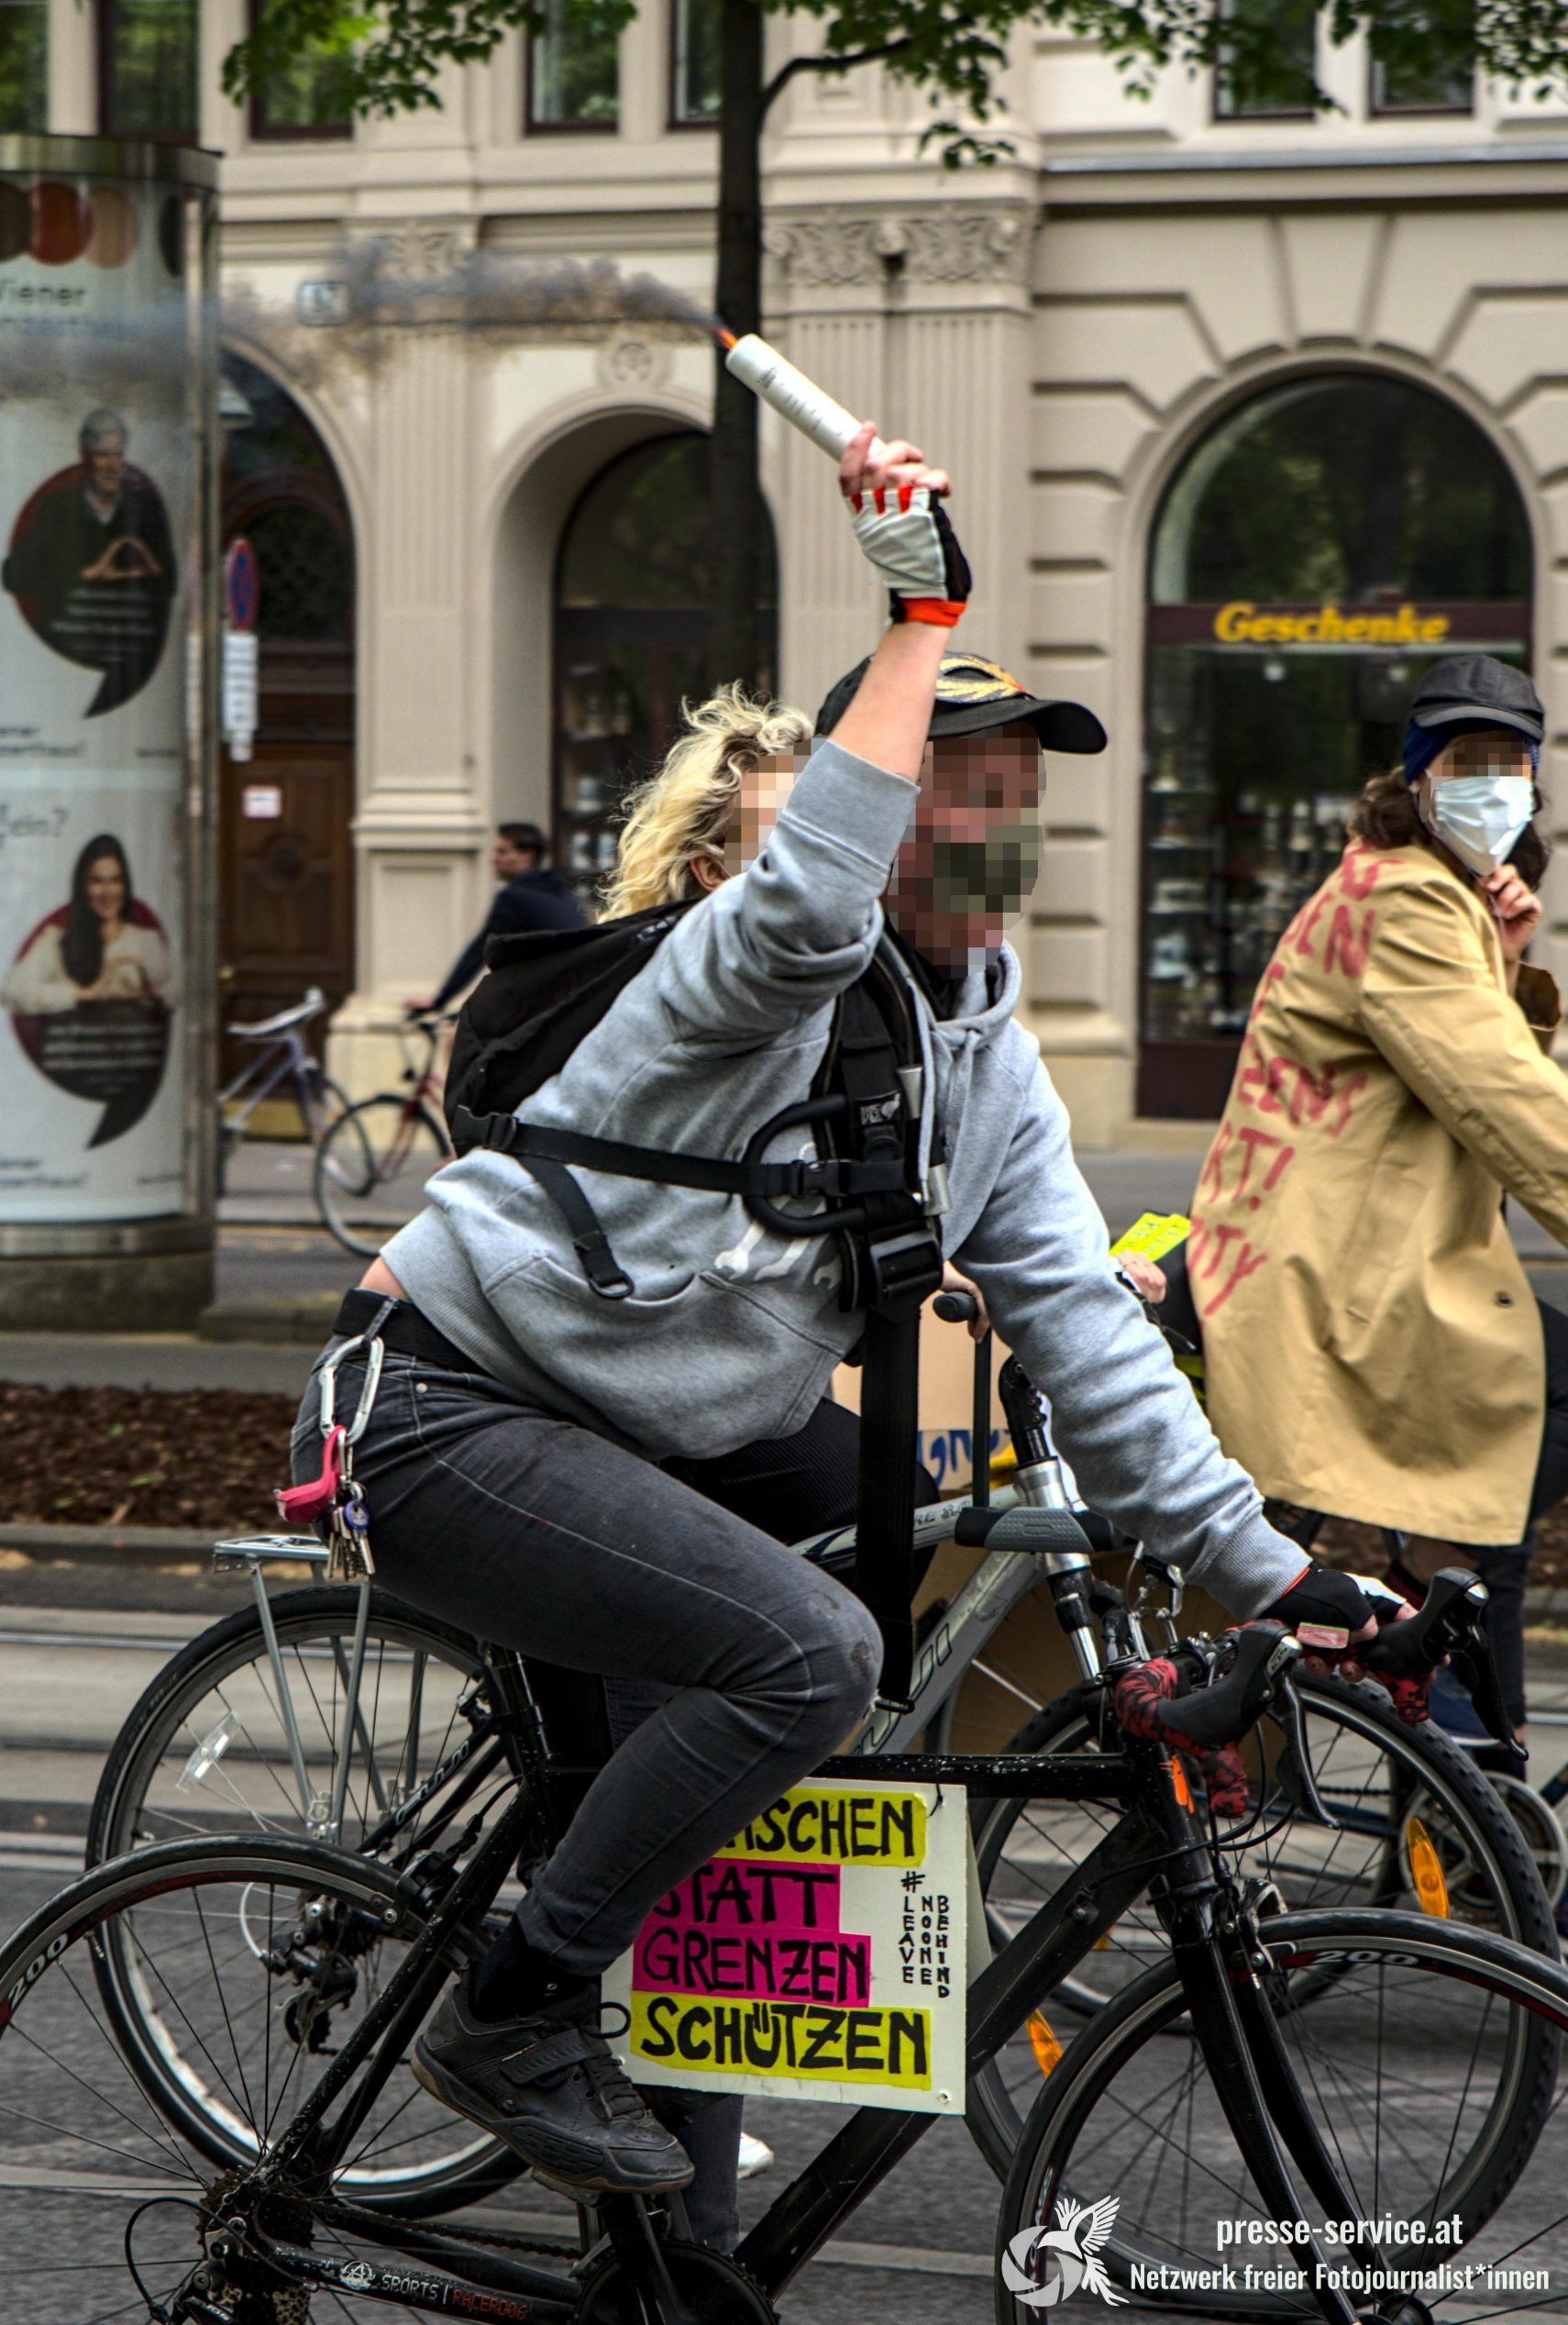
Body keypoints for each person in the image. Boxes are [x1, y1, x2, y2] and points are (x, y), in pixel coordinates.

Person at [290, 421, 1394, 2227]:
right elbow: (810, 895)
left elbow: (1085, 1336)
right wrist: (921, 606)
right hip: (448, 1413)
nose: (989, 825)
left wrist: (1277, 1572)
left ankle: (659, 2260)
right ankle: (507, 2005)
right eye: (951, 782)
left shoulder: (987, 1058)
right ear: (868, 802)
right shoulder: (736, 969)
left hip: (636, 1438)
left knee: (725, 1897)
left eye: (1014, 795)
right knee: (811, 1658)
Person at [1192, 653, 1568, 1744]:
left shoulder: (1413, 892)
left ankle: (1452, 1723)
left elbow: (1471, 1063)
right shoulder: (1405, 898)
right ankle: (1458, 1743)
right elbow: (1506, 1102)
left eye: (1512, 763)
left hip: (1346, 1260)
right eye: (1467, 761)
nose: (1493, 784)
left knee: (1489, 1487)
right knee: (1497, 1481)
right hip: (1341, 1280)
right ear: (1417, 779)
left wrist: (1505, 959)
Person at [1, 407, 176, 713]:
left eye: (119, 455)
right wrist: (83, 572)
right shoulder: (55, 509)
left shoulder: (145, 510)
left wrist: (143, 564)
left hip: (126, 661)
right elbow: (13, 575)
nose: (113, 466)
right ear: (84, 457)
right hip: (59, 664)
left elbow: (172, 581)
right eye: (103, 455)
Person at [414, 822, 585, 1013]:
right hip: (572, 996)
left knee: (457, 1034)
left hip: (543, 1000)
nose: (492, 858)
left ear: (527, 855)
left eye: (502, 852)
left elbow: (479, 951)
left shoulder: (515, 897)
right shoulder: (561, 891)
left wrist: (439, 1001)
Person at [3, 833, 177, 1015]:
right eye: (96, 881)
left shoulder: (146, 942)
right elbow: (13, 990)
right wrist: (84, 994)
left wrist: (148, 994)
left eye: (115, 880)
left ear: (125, 885)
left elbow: (183, 988)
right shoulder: (56, 941)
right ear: (82, 886)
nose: (107, 892)